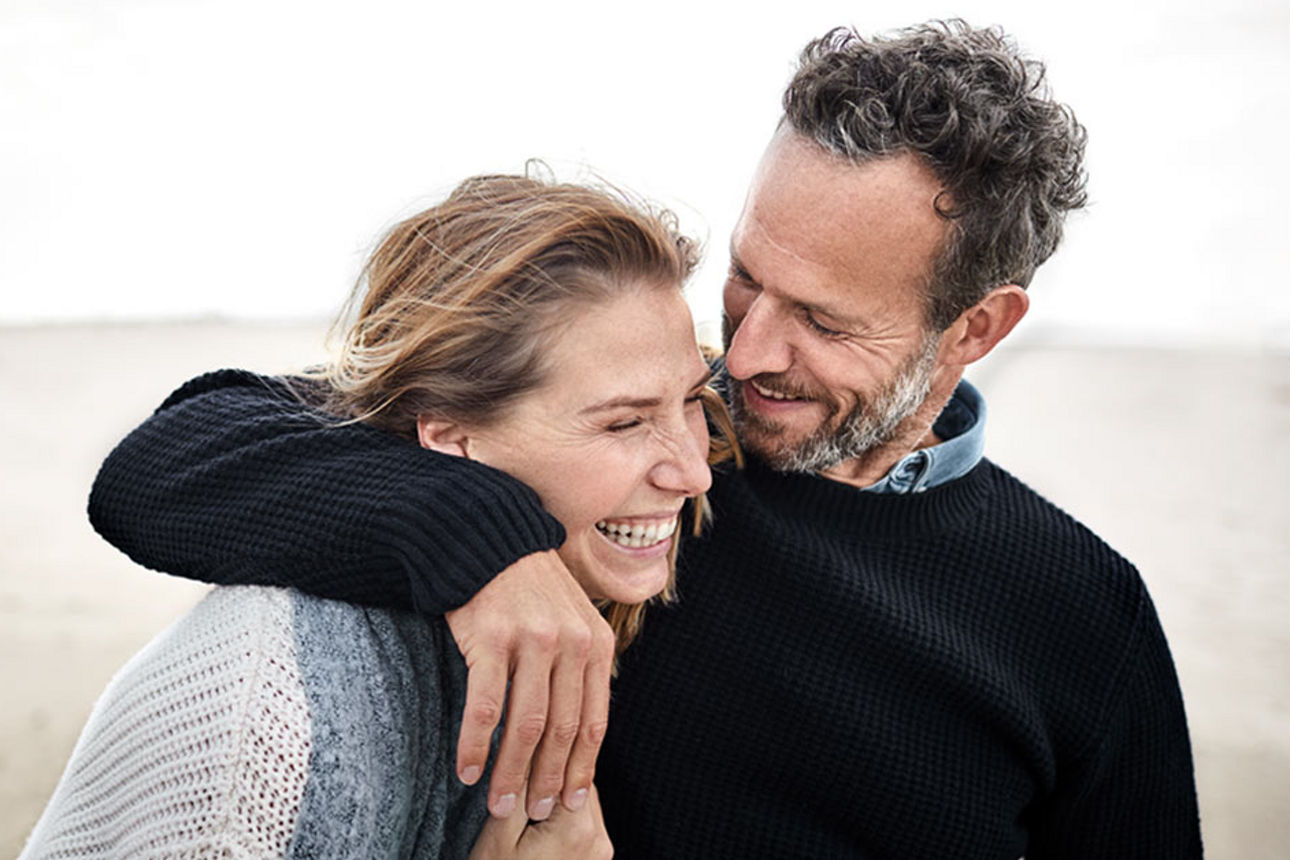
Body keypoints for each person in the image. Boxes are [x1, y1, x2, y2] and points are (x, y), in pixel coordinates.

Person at [84, 20, 1202, 858]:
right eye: (748, 280)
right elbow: (172, 459)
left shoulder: (1089, 615)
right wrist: (485, 543)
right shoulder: (631, 448)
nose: (750, 353)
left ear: (977, 326)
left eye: (821, 320)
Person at [22, 173, 733, 858]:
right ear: (451, 441)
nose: (694, 469)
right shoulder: (271, 721)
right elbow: (164, 459)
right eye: (622, 425)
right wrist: (478, 534)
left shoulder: (729, 485)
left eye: (694, 400)